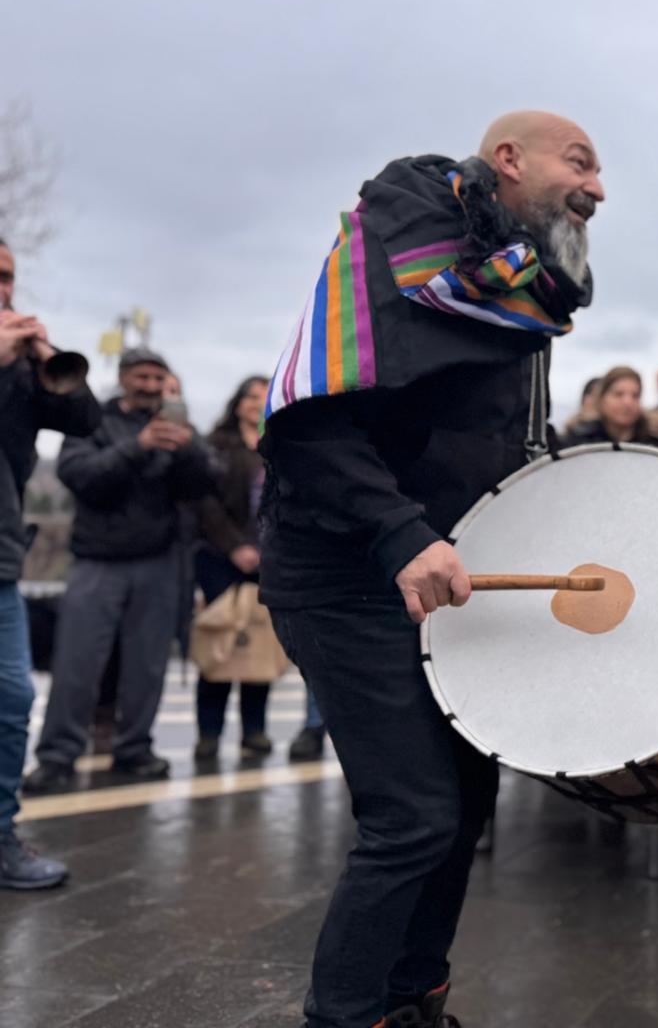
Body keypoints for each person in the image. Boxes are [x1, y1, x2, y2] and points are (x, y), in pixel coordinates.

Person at [259, 110, 602, 1028]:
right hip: (342, 573)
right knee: (412, 816)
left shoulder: (518, 295)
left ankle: (411, 1001)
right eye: (580, 162)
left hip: (442, 580)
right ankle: (343, 1016)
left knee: (466, 797)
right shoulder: (395, 244)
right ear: (507, 160)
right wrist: (399, 532)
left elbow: (489, 444)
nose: (599, 188)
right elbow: (305, 420)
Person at [23, 348, 217, 796]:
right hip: (97, 560)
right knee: (76, 665)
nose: (150, 386)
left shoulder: (181, 428)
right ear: (124, 378)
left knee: (147, 666)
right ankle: (56, 756)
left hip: (160, 562)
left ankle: (135, 749)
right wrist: (139, 446)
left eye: (158, 378)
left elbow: (205, 483)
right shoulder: (94, 422)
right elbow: (80, 475)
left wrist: (185, 446)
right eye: (142, 377)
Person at [0, 239, 98, 888]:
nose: (4, 288)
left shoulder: (17, 365)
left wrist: (43, 360)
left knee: (12, 698)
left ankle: (1, 836)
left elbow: (85, 419)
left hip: (1, 552)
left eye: (7, 276)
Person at [193, 375, 273, 761]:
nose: (257, 403)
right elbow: (204, 503)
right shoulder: (217, 446)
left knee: (258, 640)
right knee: (220, 640)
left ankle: (254, 731)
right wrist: (235, 546)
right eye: (250, 396)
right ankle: (209, 732)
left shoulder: (280, 444)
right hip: (219, 558)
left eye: (264, 396)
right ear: (238, 402)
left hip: (269, 561)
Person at [558, 366, 658, 447]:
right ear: (602, 399)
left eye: (635, 396)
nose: (628, 402)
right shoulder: (578, 439)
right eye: (618, 394)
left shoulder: (656, 441)